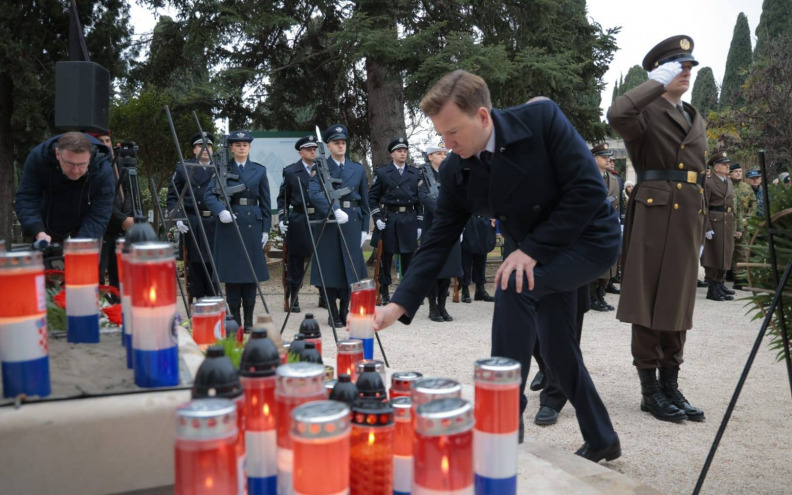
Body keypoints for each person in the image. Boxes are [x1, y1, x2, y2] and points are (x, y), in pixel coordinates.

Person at [374, 70, 622, 462]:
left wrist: (533, 249)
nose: (447, 144)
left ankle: (503, 430)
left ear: (484, 117)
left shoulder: (542, 121)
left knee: (512, 285)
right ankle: (602, 436)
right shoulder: (458, 168)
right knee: (557, 344)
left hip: (588, 237)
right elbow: (438, 239)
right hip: (536, 251)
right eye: (441, 136)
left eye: (453, 132)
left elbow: (588, 190)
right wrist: (398, 304)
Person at [608, 35, 706, 423]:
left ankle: (671, 384)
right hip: (654, 212)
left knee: (678, 301)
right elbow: (617, 114)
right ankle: (650, 392)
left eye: (688, 67)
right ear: (660, 71)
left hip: (686, 218)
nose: (685, 73)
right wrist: (655, 83)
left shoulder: (694, 115)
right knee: (648, 301)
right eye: (677, 66)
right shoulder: (643, 113)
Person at [204, 130, 270, 331]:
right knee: (233, 276)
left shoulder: (259, 170)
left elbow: (265, 202)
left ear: (249, 147)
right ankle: (235, 321)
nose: (242, 148)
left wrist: (266, 228)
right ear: (231, 148)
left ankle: (249, 320)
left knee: (250, 276)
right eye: (238, 145)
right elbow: (209, 196)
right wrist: (221, 211)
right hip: (230, 225)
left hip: (252, 225)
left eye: (245, 145)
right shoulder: (222, 168)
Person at [309, 124, 370, 328]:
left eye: (343, 142)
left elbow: (364, 201)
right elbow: (314, 193)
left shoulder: (357, 168)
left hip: (351, 220)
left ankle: (345, 308)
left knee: (350, 269)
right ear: (328, 145)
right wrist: (334, 209)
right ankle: (332, 311)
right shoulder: (319, 167)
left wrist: (364, 228)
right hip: (330, 221)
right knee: (330, 267)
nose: (341, 146)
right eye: (336, 143)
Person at [15, 131, 115, 244]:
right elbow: (27, 197)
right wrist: (37, 230)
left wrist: (81, 243)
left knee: (85, 257)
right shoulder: (38, 158)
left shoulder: (103, 170)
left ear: (90, 156)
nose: (75, 171)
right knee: (40, 258)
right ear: (57, 154)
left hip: (85, 222)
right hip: (45, 221)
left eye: (82, 164)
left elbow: (100, 212)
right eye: (70, 163)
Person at [369, 137, 423, 304]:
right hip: (389, 218)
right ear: (392, 154)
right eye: (399, 151)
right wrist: (377, 217)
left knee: (409, 257)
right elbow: (372, 198)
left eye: (405, 151)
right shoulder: (383, 173)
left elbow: (420, 201)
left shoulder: (415, 173)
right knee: (386, 257)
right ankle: (384, 292)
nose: (402, 153)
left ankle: (406, 293)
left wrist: (419, 223)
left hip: (408, 218)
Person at [166, 131, 218, 302]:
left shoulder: (221, 167)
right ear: (194, 150)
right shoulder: (183, 168)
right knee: (195, 262)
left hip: (215, 221)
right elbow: (173, 197)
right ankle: (198, 297)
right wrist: (178, 218)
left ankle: (214, 297)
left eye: (208, 146)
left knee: (214, 261)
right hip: (193, 221)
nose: (204, 149)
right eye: (199, 146)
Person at [418, 143, 462, 322]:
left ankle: (443, 306)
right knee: (433, 270)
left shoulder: (451, 175)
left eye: (445, 153)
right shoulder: (423, 177)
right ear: (430, 157)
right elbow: (425, 198)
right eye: (439, 153)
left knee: (448, 267)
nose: (444, 156)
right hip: (434, 228)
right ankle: (433, 307)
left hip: (451, 226)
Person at [277, 135, 320, 312]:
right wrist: (282, 218)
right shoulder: (290, 171)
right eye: (309, 149)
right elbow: (283, 198)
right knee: (296, 260)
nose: (312, 151)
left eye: (314, 148)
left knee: (322, 258)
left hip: (319, 218)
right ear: (300, 152)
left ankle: (325, 295)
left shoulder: (323, 169)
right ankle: (294, 296)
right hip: (300, 219)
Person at [588, 143, 620, 311]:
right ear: (594, 159)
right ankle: (591, 296)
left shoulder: (613, 178)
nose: (608, 159)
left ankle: (601, 295)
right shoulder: (587, 176)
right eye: (604, 157)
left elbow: (618, 205)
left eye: (609, 156)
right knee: (594, 261)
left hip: (609, 225)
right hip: (593, 225)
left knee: (609, 262)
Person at [701, 151, 736, 302]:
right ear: (715, 167)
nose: (727, 166)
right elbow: (704, 206)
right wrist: (707, 227)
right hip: (715, 221)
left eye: (728, 164)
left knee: (725, 255)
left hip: (727, 221)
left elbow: (731, 204)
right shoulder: (709, 183)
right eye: (724, 164)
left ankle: (720, 283)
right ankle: (712, 287)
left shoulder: (728, 181)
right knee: (713, 255)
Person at [729, 163, 756, 291]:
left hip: (744, 224)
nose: (739, 173)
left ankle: (740, 279)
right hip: (729, 223)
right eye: (736, 171)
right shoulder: (726, 186)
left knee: (742, 251)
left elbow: (753, 204)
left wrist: (747, 219)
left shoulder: (746, 187)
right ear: (730, 173)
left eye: (740, 171)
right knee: (727, 251)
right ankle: (723, 276)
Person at [459, 215, 496, 303]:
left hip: (484, 220)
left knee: (482, 256)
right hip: (468, 219)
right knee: (466, 258)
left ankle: (480, 290)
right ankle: (465, 290)